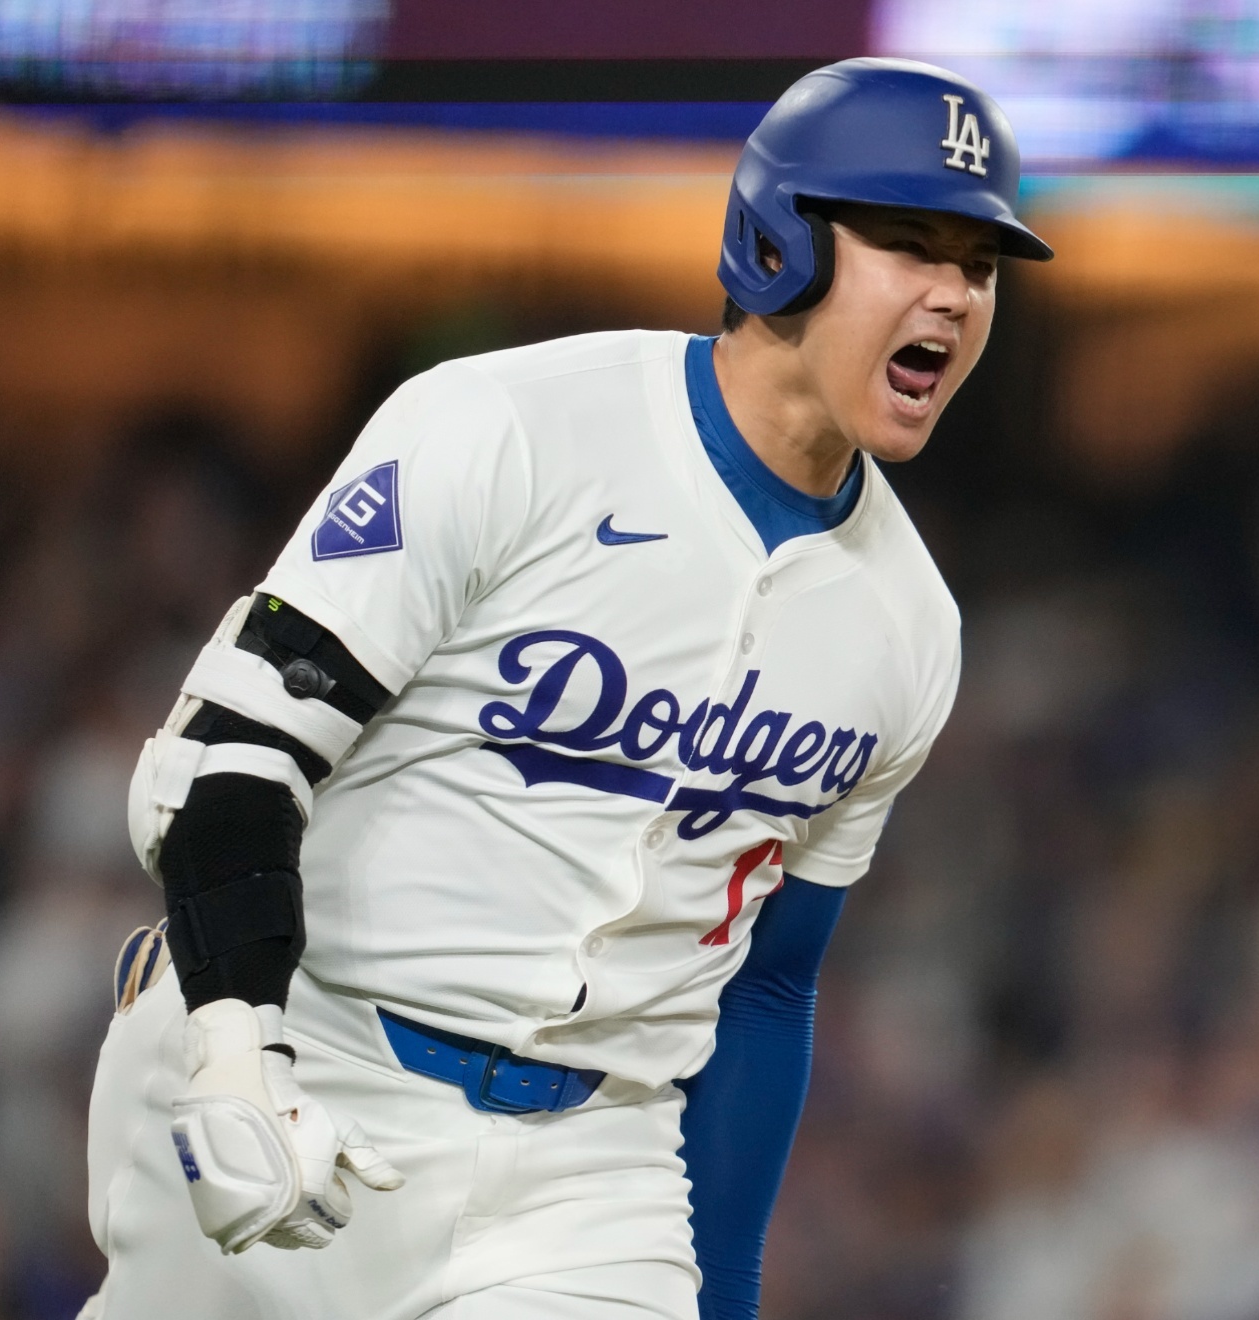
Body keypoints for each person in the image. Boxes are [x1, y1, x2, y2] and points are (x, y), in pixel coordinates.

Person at [78, 56, 1051, 1320]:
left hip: (591, 1173)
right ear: (780, 248)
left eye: (977, 266)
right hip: (305, 1053)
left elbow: (767, 988)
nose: (953, 294)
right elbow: (236, 754)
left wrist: (730, 1293)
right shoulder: (512, 426)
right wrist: (231, 1040)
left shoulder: (909, 626)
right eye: (910, 244)